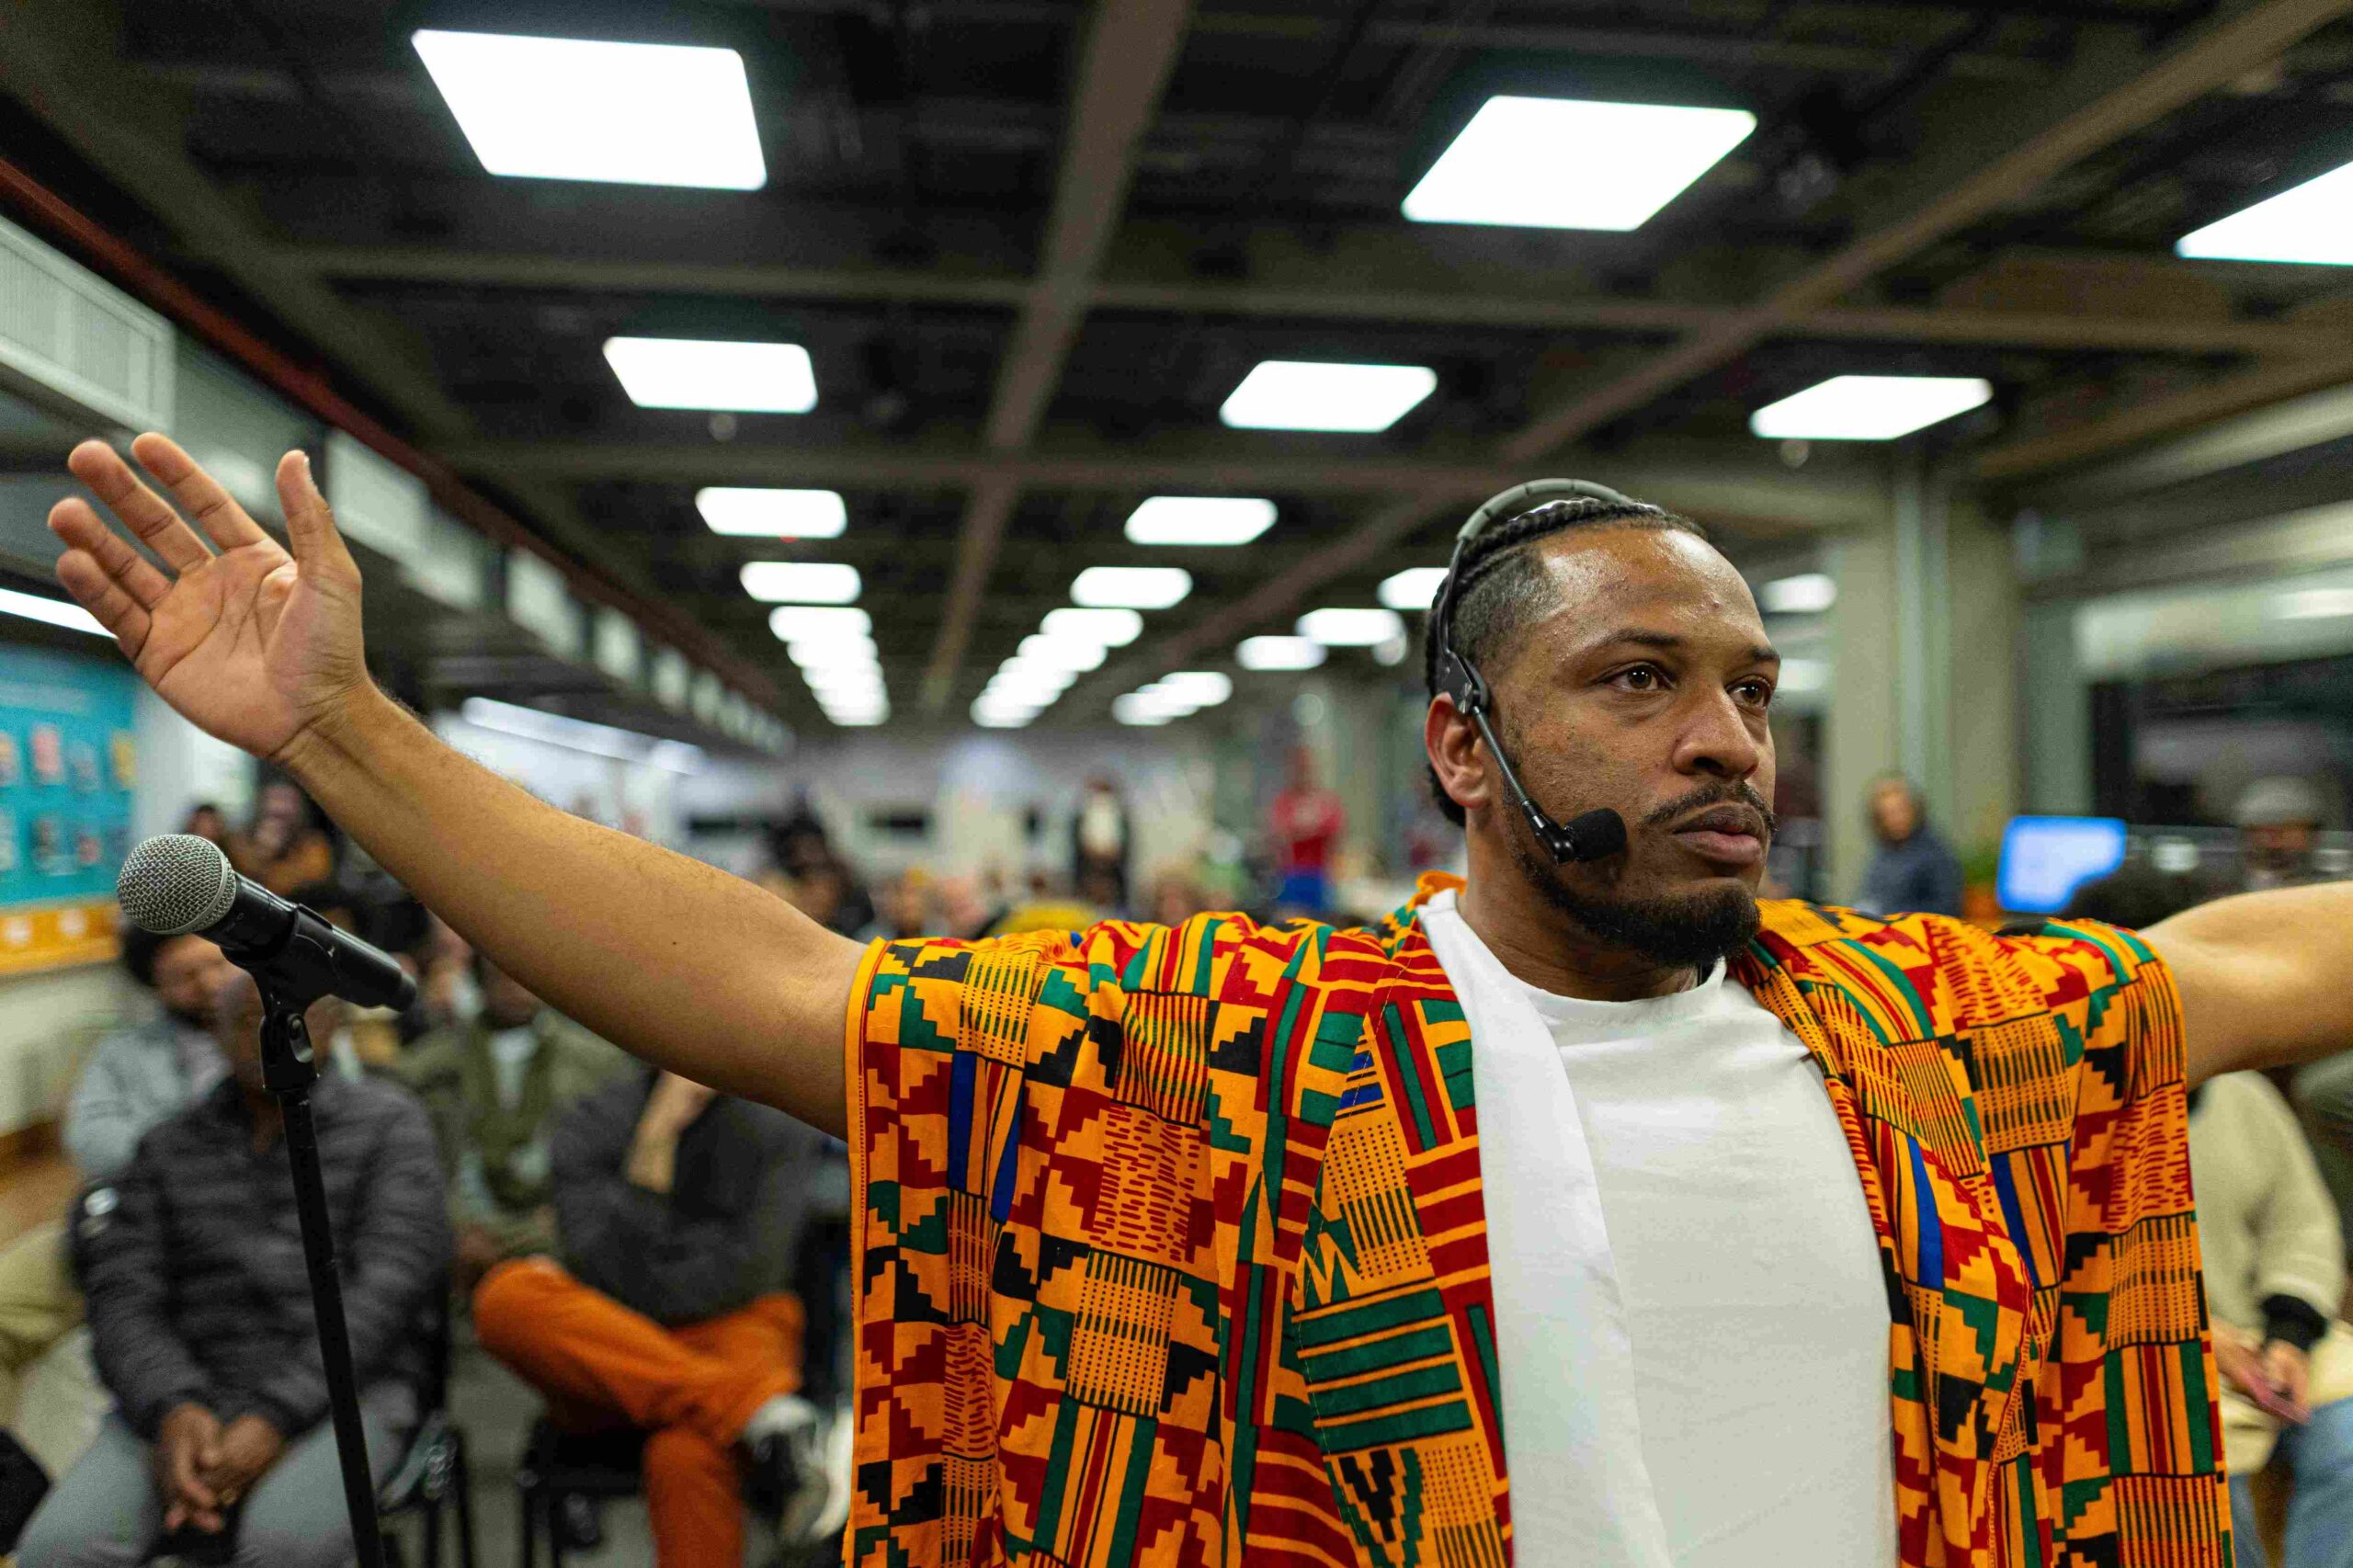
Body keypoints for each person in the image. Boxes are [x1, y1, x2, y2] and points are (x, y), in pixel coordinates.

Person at [59, 438, 2353, 1564]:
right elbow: (773, 986)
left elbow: (2256, 955)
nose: (1724, 739)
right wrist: (343, 738)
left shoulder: (1922, 1031)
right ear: (1458, 745)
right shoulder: (1239, 1048)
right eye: (1635, 680)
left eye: (1747, 686)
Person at [16, 971, 446, 1567]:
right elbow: (122, 1295)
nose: (271, 1034)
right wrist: (172, 1407)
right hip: (190, 1394)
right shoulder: (166, 1147)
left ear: (332, 1028)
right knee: (57, 1549)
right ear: (214, 1033)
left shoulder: (389, 1128)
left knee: (284, 1547)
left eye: (295, 1018)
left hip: (346, 1390)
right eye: (248, 1021)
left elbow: (388, 1291)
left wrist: (273, 1415)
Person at [471, 1069, 827, 1560]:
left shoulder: (778, 1122)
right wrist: (651, 1151)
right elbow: (595, 1265)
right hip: (616, 1351)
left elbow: (748, 1273)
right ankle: (759, 1414)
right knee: (505, 1296)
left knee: (687, 1452)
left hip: (698, 1333)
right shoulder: (593, 1116)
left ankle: (742, 1411)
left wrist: (638, 1299)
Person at [0, 927, 234, 1415]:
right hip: (123, 1225)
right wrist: (186, 1161)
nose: (209, 984)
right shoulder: (126, 1052)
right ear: (157, 986)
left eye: (217, 964)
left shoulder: (280, 1035)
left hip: (228, 1243)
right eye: (186, 976)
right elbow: (92, 1139)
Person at [392, 957, 629, 1290]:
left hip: (562, 1229)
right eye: (502, 976)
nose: (516, 987)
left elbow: (611, 1156)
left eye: (525, 975)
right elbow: (416, 1163)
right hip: (464, 1234)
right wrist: (454, 1228)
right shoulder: (430, 1066)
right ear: (482, 978)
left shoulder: (596, 1062)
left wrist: (573, 1213)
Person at [1856, 771, 1964, 916]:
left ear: (1914, 809)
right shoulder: (1883, 853)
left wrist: (1890, 914)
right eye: (1887, 814)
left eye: (1900, 811)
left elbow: (1947, 906)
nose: (1895, 819)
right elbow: (1869, 896)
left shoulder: (1935, 852)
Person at [1267, 744, 1345, 910]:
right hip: (1292, 874)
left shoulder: (1326, 802)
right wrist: (1310, 828)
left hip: (1319, 875)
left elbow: (1334, 831)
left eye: (1306, 768)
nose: (1303, 773)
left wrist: (1303, 829)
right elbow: (1280, 834)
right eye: (1299, 768)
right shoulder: (1285, 802)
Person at [227, 779, 334, 896]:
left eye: (286, 801)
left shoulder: (314, 844)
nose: (280, 807)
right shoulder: (240, 842)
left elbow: (314, 878)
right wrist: (263, 852)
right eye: (275, 801)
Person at [2237, 776, 2330, 892]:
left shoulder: (2331, 889)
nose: (2274, 844)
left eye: (2286, 832)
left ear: (2312, 836)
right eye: (2264, 832)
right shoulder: (2223, 889)